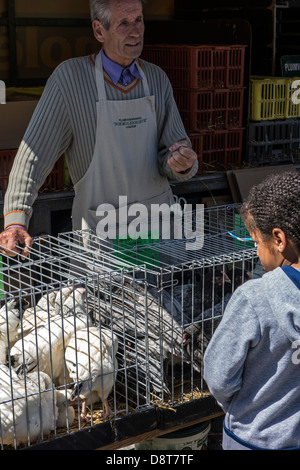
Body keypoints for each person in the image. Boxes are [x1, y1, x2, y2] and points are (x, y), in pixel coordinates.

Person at [0, 0, 198, 258]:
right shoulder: (70, 79)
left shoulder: (157, 79)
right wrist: (15, 220)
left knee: (162, 297)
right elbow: (34, 155)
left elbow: (172, 154)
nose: (136, 31)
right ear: (98, 31)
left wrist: (181, 162)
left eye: (138, 19)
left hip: (156, 230)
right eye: (123, 23)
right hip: (101, 236)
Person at [203, 170, 300, 450]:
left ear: (279, 239)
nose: (256, 251)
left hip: (254, 438)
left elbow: (219, 378)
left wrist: (242, 404)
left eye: (257, 242)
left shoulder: (256, 298)